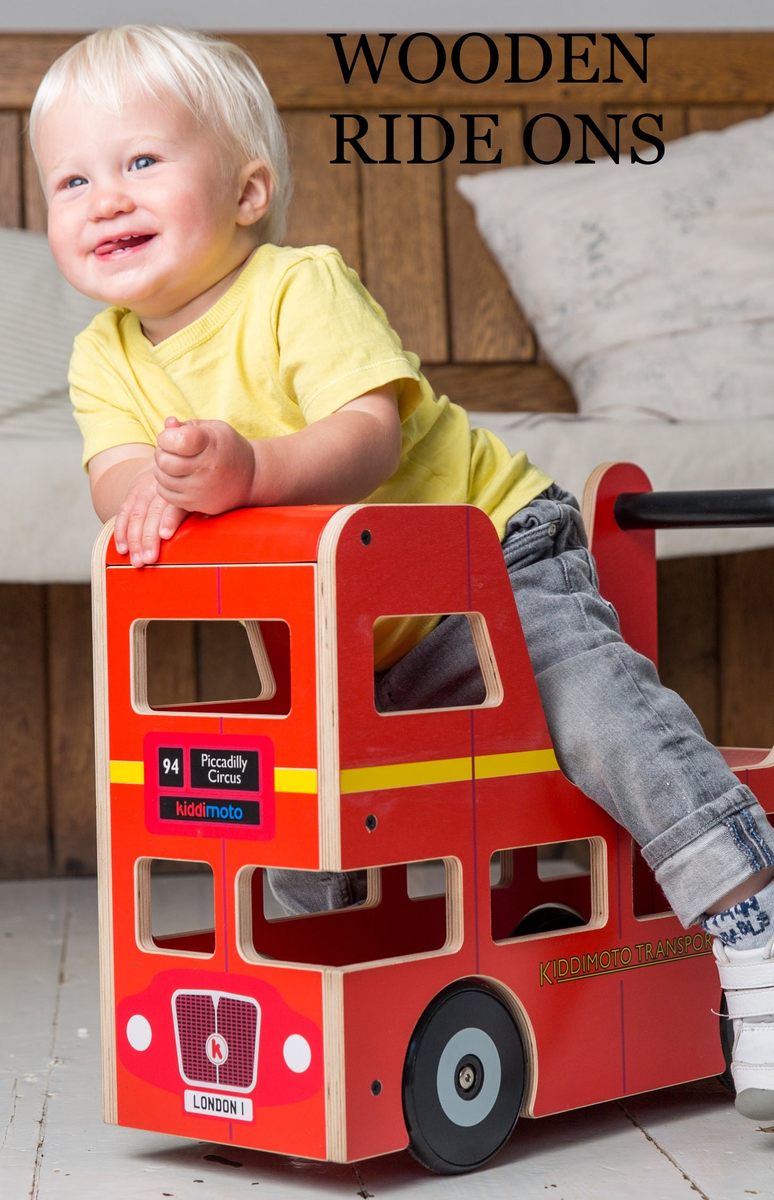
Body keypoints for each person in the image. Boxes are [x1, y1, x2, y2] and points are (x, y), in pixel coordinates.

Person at [30, 24, 774, 1122]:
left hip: (493, 558)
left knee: (593, 715)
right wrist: (154, 481)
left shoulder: (298, 286)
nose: (104, 197)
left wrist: (250, 467)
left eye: (141, 162)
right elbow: (119, 481)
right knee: (286, 810)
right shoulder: (106, 354)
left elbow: (368, 435)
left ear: (246, 191)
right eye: (70, 179)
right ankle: (309, 993)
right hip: (356, 632)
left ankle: (747, 910)